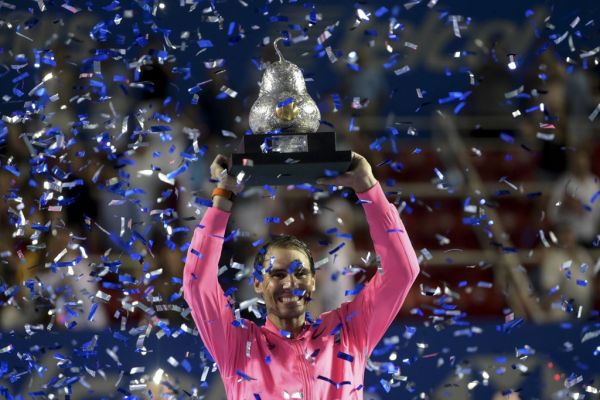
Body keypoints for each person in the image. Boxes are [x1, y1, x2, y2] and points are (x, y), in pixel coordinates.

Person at [183, 152, 420, 399]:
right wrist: (223, 195)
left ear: (313, 281)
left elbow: (402, 272)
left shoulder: (347, 333)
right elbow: (197, 284)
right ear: (257, 283)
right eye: (277, 273)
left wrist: (368, 188)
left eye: (300, 273)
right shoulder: (238, 344)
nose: (289, 283)